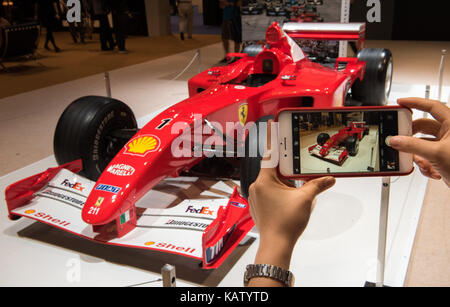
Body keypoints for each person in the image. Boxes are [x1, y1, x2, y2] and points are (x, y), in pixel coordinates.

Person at [246, 97, 450, 286]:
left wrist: (274, 239)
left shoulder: (357, 132)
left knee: (347, 139)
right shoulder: (338, 134)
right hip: (341, 137)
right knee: (336, 137)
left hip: (350, 139)